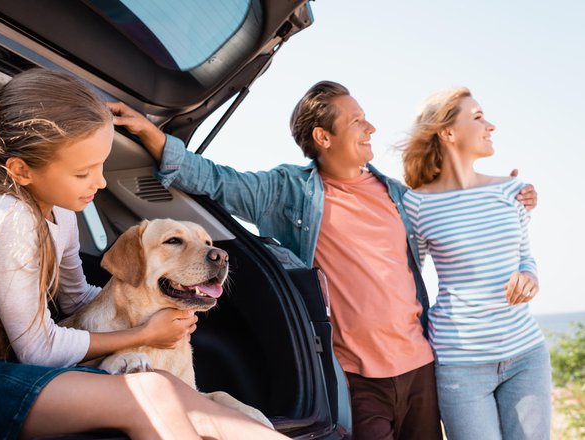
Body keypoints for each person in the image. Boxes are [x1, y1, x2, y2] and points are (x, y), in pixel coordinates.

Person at [108, 81, 537, 440]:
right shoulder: (289, 192)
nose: (371, 127)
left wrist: (509, 197)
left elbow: (455, 217)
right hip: (358, 377)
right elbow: (217, 180)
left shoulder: (401, 197)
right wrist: (152, 135)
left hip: (421, 365)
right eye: (356, 121)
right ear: (323, 137)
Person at [0, 68, 287, 440]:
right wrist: (144, 333)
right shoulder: (6, 216)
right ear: (22, 171)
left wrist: (150, 306)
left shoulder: (60, 214)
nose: (99, 182)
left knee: (165, 385)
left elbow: (77, 299)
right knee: (150, 394)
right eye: (84, 172)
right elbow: (39, 349)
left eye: (102, 166)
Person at [400, 87, 551, 439]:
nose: (491, 126)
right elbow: (410, 282)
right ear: (448, 132)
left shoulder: (512, 190)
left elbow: (525, 256)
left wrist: (530, 277)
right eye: (478, 117)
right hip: (460, 365)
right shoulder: (417, 205)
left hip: (526, 354)